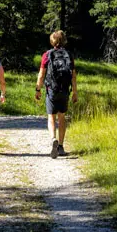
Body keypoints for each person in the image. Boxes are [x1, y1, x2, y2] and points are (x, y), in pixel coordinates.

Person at [35, 30, 78, 158]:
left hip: (52, 90)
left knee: (51, 117)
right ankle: (61, 146)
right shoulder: (69, 55)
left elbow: (41, 74)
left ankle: (53, 138)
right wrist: (75, 92)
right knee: (62, 117)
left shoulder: (47, 55)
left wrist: (38, 89)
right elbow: (73, 76)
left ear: (52, 41)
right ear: (64, 40)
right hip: (64, 90)